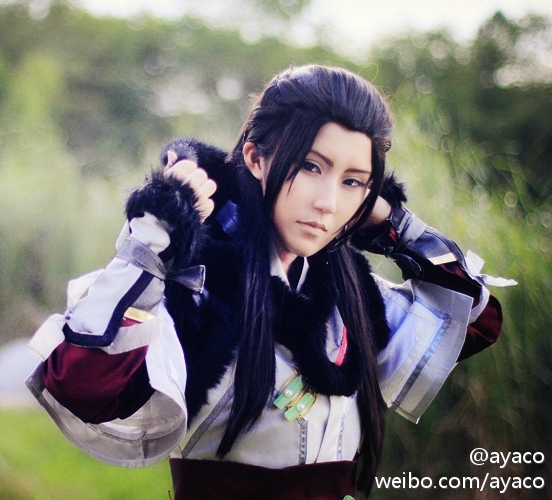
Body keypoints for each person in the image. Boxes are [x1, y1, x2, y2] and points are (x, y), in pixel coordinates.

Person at [25, 65, 508, 498]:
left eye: (352, 181)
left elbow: (474, 320)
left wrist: (394, 226)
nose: (328, 203)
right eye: (311, 167)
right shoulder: (196, 292)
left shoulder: (350, 293)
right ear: (255, 158)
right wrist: (155, 236)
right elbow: (81, 383)